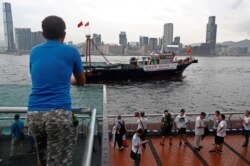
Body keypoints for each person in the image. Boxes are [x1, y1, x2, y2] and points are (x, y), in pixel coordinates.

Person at [27, 15, 85, 166]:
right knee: (59, 161)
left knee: (43, 159)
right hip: (58, 114)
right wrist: (70, 80)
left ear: (43, 34)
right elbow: (81, 81)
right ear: (64, 34)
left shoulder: (34, 51)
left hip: (34, 115)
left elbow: (36, 75)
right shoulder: (71, 51)